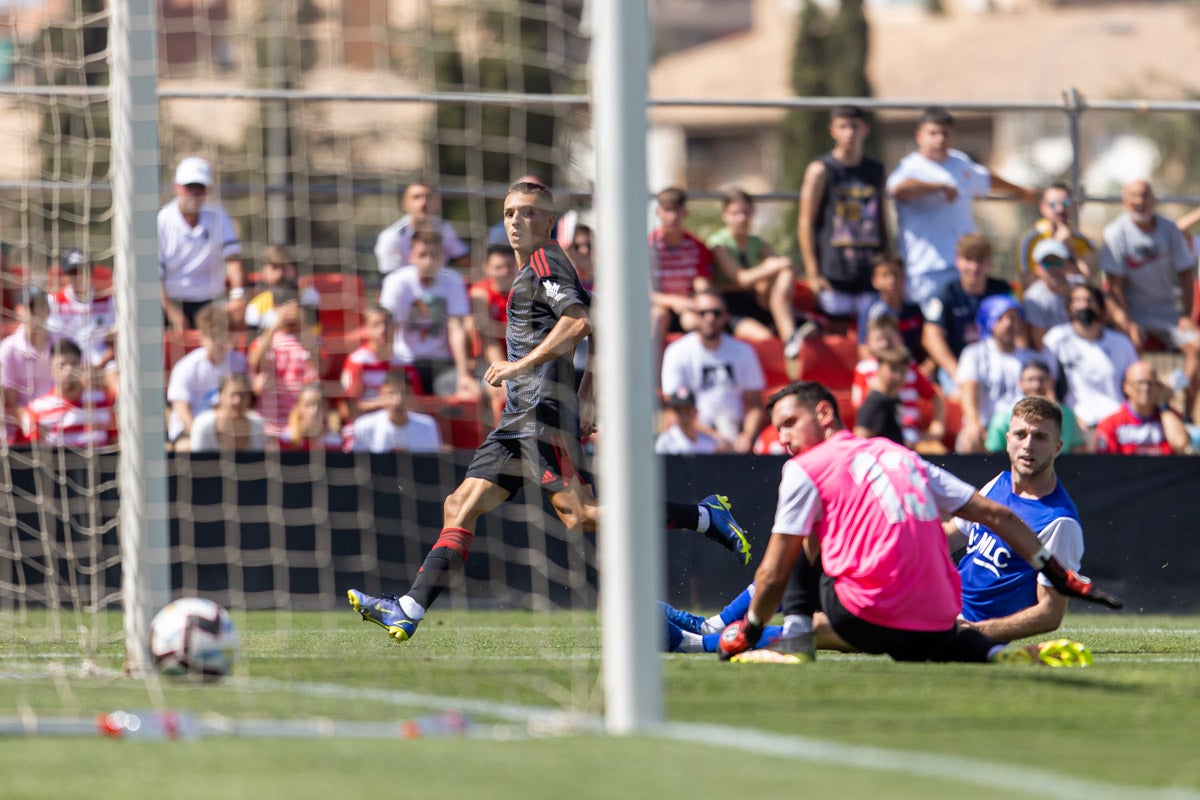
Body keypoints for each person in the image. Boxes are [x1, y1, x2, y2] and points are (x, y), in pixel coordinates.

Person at [347, 181, 753, 642]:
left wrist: (524, 366)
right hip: (517, 418)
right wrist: (587, 390)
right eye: (509, 213)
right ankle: (409, 608)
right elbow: (597, 321)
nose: (516, 221)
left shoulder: (546, 258)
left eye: (527, 212)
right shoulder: (534, 272)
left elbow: (578, 321)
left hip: (541, 415)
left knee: (579, 516)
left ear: (548, 220)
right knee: (459, 505)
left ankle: (703, 516)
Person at [715, 380, 1119, 666]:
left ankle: (725, 633)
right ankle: (986, 653)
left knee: (812, 559)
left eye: (789, 424)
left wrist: (748, 629)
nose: (1028, 446)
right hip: (940, 614)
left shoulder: (1059, 520)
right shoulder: (908, 458)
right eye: (1021, 435)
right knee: (866, 609)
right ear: (1007, 439)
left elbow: (1051, 614)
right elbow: (977, 525)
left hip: (927, 614)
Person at [887, 107, 1035, 308]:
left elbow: (986, 179)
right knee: (932, 325)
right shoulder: (910, 167)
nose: (939, 139)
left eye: (945, 133)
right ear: (919, 136)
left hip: (964, 265)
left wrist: (1021, 191)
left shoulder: (960, 163)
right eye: (933, 133)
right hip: (926, 268)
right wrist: (937, 186)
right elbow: (899, 189)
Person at [1100, 179, 1200, 420]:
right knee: (1129, 350)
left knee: (1196, 347)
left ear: (1153, 199)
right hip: (1135, 313)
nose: (1140, 201)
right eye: (1134, 196)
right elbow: (1114, 287)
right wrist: (1127, 323)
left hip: (1168, 314)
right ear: (1124, 201)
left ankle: (1185, 414)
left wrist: (1186, 317)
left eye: (1145, 195)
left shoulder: (1170, 231)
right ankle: (1133, 416)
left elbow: (1187, 275)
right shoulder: (1115, 234)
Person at [798, 105, 889, 326]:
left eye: (854, 126)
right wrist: (813, 272)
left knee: (874, 335)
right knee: (837, 340)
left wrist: (887, 263)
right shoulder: (821, 169)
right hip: (834, 271)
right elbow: (805, 221)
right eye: (843, 127)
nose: (849, 133)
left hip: (870, 271)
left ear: (865, 130)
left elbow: (882, 219)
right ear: (833, 131)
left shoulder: (875, 170)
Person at [378, 225, 479, 400]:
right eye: (422, 255)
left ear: (442, 257)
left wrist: (463, 374)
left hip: (442, 364)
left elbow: (457, 329)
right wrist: (386, 367)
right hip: (404, 362)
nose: (428, 261)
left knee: (466, 393)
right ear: (411, 256)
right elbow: (387, 326)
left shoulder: (453, 281)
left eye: (434, 255)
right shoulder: (395, 282)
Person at [660, 290, 766, 454]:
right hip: (691, 438)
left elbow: (755, 405)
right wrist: (716, 437)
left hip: (734, 437)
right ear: (694, 316)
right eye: (703, 313)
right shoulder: (677, 352)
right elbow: (674, 409)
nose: (710, 318)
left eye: (716, 313)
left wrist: (746, 437)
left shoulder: (743, 351)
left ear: (725, 316)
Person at [158, 156, 245, 330]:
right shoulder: (162, 221)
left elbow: (233, 259)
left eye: (200, 188)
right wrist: (173, 313)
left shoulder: (218, 216)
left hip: (211, 304)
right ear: (176, 187)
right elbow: (155, 277)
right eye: (189, 187)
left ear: (208, 190)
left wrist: (237, 296)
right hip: (171, 302)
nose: (194, 193)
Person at [921, 233, 1014, 394]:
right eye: (968, 260)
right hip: (957, 367)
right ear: (958, 261)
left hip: (999, 363)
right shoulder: (945, 294)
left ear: (989, 262)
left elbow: (1018, 329)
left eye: (980, 260)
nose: (974, 267)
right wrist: (957, 373)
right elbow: (930, 337)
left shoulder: (1002, 290)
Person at [1042, 283, 1139, 436]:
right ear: (1070, 306)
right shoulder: (1056, 339)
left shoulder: (1121, 343)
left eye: (1090, 300)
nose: (1084, 305)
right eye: (1078, 300)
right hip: (1076, 424)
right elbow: (1048, 386)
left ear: (1100, 307)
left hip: (1118, 425)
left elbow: (1136, 383)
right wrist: (1065, 421)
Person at [955, 295, 1049, 454]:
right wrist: (973, 423)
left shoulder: (1031, 358)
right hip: (985, 427)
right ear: (988, 321)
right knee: (968, 440)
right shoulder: (974, 353)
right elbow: (968, 388)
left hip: (1024, 429)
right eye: (1000, 318)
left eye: (1013, 318)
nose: (1008, 324)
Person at [707, 188, 799, 348]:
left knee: (784, 272)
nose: (741, 218)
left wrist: (780, 284)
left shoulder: (756, 242)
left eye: (745, 212)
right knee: (765, 339)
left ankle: (789, 335)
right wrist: (773, 266)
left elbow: (786, 267)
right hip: (730, 306)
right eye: (735, 213)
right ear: (725, 216)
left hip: (757, 302)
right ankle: (789, 339)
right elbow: (742, 279)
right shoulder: (719, 244)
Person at [851, 314, 945, 452]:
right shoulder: (865, 371)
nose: (885, 344)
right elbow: (863, 414)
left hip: (910, 433)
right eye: (879, 339)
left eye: (889, 339)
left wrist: (937, 426)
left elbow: (936, 395)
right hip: (879, 436)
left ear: (900, 339)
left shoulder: (911, 368)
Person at [166, 302, 247, 449]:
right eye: (213, 337)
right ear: (202, 337)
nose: (218, 343)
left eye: (223, 336)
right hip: (189, 428)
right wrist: (199, 435)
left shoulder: (238, 362)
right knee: (186, 448)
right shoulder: (186, 367)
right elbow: (181, 409)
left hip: (227, 427)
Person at [247, 285, 322, 437]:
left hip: (304, 420)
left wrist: (304, 327)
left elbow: (323, 367)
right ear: (275, 308)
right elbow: (254, 362)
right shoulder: (263, 340)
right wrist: (276, 325)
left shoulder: (314, 340)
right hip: (270, 422)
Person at [22, 339, 116, 449]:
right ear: (52, 370)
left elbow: (115, 443)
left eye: (74, 364)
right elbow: (33, 452)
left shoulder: (103, 400)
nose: (69, 370)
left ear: (82, 367)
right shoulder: (36, 409)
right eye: (62, 365)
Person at [649, 186, 712, 339]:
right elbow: (643, 291)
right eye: (667, 210)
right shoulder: (648, 246)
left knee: (698, 320)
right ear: (658, 212)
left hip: (689, 307)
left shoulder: (698, 247)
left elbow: (702, 283)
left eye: (677, 210)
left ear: (685, 212)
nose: (672, 217)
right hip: (658, 308)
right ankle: (648, 363)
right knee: (658, 316)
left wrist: (701, 302)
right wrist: (673, 301)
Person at [339, 305, 420, 422]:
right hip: (364, 425)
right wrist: (381, 402)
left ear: (395, 328)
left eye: (387, 324)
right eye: (375, 325)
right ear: (366, 329)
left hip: (399, 425)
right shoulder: (357, 361)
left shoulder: (404, 364)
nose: (382, 329)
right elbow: (346, 409)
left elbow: (418, 405)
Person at [986, 359, 1084, 454]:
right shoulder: (1003, 418)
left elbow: (1076, 451)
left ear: (1051, 382)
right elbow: (995, 456)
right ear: (1020, 383)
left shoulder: (1066, 415)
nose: (1036, 385)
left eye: (1041, 379)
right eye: (1030, 380)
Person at [374, 179, 470, 276]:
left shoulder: (445, 229)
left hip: (439, 285)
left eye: (429, 197)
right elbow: (389, 279)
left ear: (438, 203)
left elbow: (465, 261)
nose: (423, 202)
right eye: (416, 197)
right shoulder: (391, 237)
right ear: (404, 204)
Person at [1094, 360, 1190, 455]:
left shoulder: (1169, 416)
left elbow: (1180, 443)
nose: (1145, 388)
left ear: (1158, 387)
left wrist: (1164, 404)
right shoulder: (1111, 423)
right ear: (1126, 387)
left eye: (1150, 383)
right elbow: (1105, 464)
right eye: (1139, 383)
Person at [470, 244, 519, 423]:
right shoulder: (481, 292)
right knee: (497, 391)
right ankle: (500, 445)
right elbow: (486, 333)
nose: (505, 272)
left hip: (521, 361)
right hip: (488, 363)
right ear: (487, 268)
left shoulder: (524, 292)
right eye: (499, 267)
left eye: (510, 266)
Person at [46, 248, 116, 370]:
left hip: (101, 365)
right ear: (66, 276)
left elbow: (117, 340)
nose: (78, 277)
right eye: (73, 272)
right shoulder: (54, 301)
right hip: (66, 366)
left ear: (91, 273)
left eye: (82, 271)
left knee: (114, 371)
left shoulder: (107, 301)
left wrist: (100, 365)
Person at [1016, 182, 1095, 286]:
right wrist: (1055, 246)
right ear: (1042, 207)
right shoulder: (1030, 240)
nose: (1060, 209)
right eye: (1052, 204)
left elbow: (1087, 282)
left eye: (1066, 203)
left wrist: (1070, 250)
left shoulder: (1084, 242)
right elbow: (1028, 283)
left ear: (1074, 207)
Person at [0, 286, 53, 444]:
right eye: (31, 307)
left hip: (58, 418)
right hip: (23, 426)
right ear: (18, 311)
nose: (37, 312)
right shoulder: (8, 350)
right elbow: (11, 402)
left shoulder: (63, 342)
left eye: (41, 306)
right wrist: (31, 418)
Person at [348, 369, 442, 454]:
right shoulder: (364, 425)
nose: (398, 400)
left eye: (404, 393)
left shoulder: (428, 426)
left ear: (411, 395)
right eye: (391, 393)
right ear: (381, 394)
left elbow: (433, 465)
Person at [857, 255, 924, 362]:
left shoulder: (914, 309)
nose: (892, 280)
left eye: (896, 274)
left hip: (911, 366)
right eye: (885, 275)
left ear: (904, 277)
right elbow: (864, 350)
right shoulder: (871, 311)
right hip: (883, 369)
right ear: (874, 281)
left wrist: (930, 363)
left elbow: (923, 344)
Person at [243, 244, 320, 332]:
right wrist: (278, 324)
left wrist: (301, 318)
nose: (280, 274)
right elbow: (255, 344)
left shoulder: (308, 295)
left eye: (284, 267)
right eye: (274, 267)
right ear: (264, 273)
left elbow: (316, 339)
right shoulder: (255, 307)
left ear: (294, 269)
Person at [189, 372, 265, 452]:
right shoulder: (202, 424)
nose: (237, 401)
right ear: (221, 396)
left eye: (242, 395)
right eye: (232, 395)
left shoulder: (258, 425)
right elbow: (197, 462)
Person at [1022, 238, 1074, 351]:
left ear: (1068, 264)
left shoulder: (1081, 288)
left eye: (1058, 262)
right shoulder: (1033, 299)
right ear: (1037, 269)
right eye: (1047, 263)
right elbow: (1041, 345)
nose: (1054, 268)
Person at [852, 345, 906, 445]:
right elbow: (860, 439)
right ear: (879, 367)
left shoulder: (894, 399)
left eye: (902, 371)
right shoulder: (874, 401)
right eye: (893, 369)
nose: (898, 375)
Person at [278, 383, 344, 451]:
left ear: (327, 408)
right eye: (309, 404)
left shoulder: (334, 442)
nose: (315, 410)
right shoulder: (286, 439)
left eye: (320, 404)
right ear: (299, 407)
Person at [654, 387, 719, 455]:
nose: (683, 416)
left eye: (687, 411)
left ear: (695, 412)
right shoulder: (665, 442)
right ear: (672, 414)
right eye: (679, 412)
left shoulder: (707, 440)